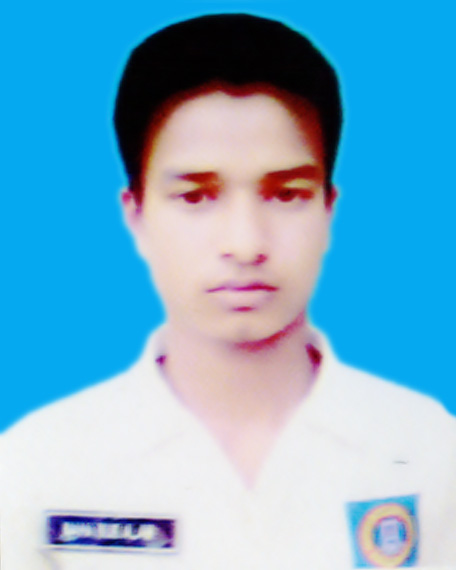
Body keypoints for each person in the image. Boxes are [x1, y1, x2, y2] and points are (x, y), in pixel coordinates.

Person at [1, 13, 455, 570]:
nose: (245, 244)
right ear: (136, 214)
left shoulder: (430, 450)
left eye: (286, 194)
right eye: (196, 197)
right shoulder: (39, 468)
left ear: (328, 209)